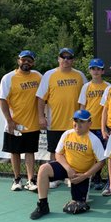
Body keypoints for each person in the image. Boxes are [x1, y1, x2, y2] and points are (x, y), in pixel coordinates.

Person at [30, 109, 106, 220]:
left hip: (80, 174)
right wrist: (68, 168)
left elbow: (101, 161)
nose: (77, 124)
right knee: (43, 169)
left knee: (78, 205)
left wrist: (85, 175)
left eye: (82, 121)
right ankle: (43, 205)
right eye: (76, 120)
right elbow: (58, 154)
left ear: (90, 123)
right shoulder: (67, 134)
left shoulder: (93, 140)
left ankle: (83, 193)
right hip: (66, 167)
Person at [36, 48, 87, 188]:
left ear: (73, 60)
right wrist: (41, 116)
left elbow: (87, 97)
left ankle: (71, 176)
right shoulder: (49, 75)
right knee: (54, 151)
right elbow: (40, 98)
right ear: (58, 59)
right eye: (63, 57)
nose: (66, 60)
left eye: (69, 57)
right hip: (55, 122)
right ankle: (55, 177)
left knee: (74, 151)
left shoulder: (80, 76)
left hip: (75, 124)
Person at [0, 50, 42, 191]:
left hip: (32, 123)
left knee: (30, 152)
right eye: (24, 60)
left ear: (33, 62)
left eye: (29, 60)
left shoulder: (38, 76)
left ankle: (31, 180)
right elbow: (2, 99)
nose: (26, 62)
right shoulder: (8, 78)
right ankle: (17, 179)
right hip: (15, 124)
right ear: (19, 61)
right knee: (15, 152)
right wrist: (9, 121)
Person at [78, 58, 110, 189]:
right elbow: (82, 107)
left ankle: (104, 179)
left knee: (103, 155)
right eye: (93, 69)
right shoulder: (86, 87)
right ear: (90, 70)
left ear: (102, 71)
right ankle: (94, 178)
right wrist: (81, 124)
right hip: (89, 126)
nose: (95, 71)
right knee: (91, 155)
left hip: (103, 126)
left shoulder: (108, 87)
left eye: (98, 69)